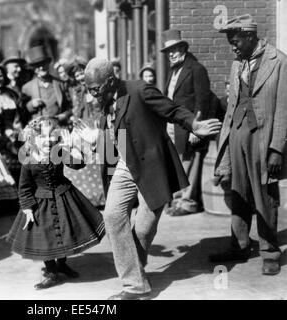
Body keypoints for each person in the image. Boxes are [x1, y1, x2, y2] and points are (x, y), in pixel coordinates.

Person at [75, 58, 222, 300]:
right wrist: (97, 140)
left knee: (143, 230)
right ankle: (135, 285)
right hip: (123, 166)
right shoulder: (104, 100)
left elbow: (172, 110)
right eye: (89, 89)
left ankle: (136, 273)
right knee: (112, 216)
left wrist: (195, 125)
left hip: (153, 169)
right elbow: (116, 134)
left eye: (95, 89)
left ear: (110, 81)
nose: (92, 95)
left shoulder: (140, 90)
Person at [210, 15, 287, 276]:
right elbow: (233, 105)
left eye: (236, 41)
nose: (233, 46)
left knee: (265, 194)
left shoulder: (278, 61)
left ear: (251, 36)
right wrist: (226, 140)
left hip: (263, 137)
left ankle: (270, 251)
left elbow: (283, 109)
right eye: (231, 42)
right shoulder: (237, 63)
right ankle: (240, 245)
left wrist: (277, 148)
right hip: (237, 134)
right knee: (239, 192)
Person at [7, 116, 105, 290]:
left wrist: (72, 148)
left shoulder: (59, 152)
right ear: (33, 138)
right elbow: (24, 187)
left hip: (64, 196)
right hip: (40, 203)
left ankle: (62, 265)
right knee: (46, 237)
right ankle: (52, 272)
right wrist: (28, 208)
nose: (47, 140)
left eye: (51, 136)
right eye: (42, 137)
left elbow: (77, 165)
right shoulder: (28, 161)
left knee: (66, 232)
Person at [162, 29, 213, 216]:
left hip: (189, 127)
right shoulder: (174, 70)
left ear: (183, 48)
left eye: (175, 49)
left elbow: (203, 101)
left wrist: (196, 129)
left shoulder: (196, 69)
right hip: (173, 126)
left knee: (190, 163)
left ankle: (188, 202)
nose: (171, 54)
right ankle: (178, 200)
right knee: (180, 164)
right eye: (168, 51)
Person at [63, 58, 106, 207]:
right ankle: (85, 199)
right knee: (79, 160)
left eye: (82, 73)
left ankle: (102, 197)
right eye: (77, 75)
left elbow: (102, 110)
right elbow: (76, 111)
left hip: (96, 127)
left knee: (99, 160)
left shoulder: (97, 88)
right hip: (81, 128)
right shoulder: (77, 91)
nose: (80, 77)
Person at [22, 46, 72, 126]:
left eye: (43, 64)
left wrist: (64, 115)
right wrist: (31, 105)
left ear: (48, 64)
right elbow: (21, 112)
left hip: (58, 128)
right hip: (37, 131)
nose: (41, 67)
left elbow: (71, 106)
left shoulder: (61, 84)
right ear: (34, 69)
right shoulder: (27, 88)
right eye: (37, 66)